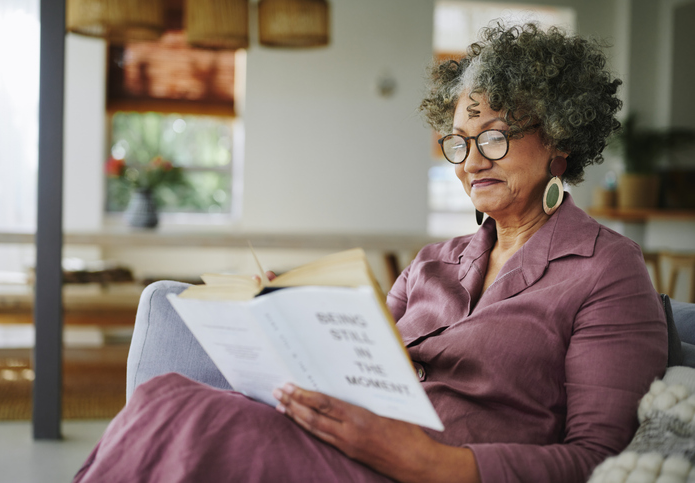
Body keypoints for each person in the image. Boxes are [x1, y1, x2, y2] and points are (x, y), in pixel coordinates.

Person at [74, 23, 667, 483]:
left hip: (430, 472)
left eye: (495, 137)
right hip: (342, 446)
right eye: (459, 142)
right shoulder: (433, 261)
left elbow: (599, 458)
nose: (473, 161)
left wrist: (433, 464)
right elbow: (364, 369)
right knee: (168, 395)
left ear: (559, 143)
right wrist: (295, 322)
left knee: (190, 416)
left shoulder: (607, 269)